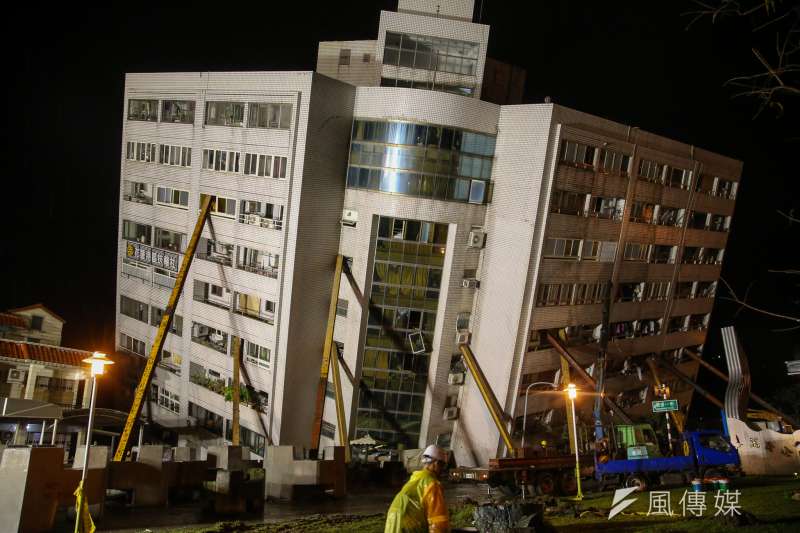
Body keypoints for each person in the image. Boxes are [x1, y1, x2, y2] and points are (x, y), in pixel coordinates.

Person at [385, 444, 450, 533]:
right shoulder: (432, 484)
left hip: (392, 522)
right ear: (436, 463)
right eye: (442, 466)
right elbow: (438, 521)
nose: (442, 470)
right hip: (411, 525)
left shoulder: (414, 479)